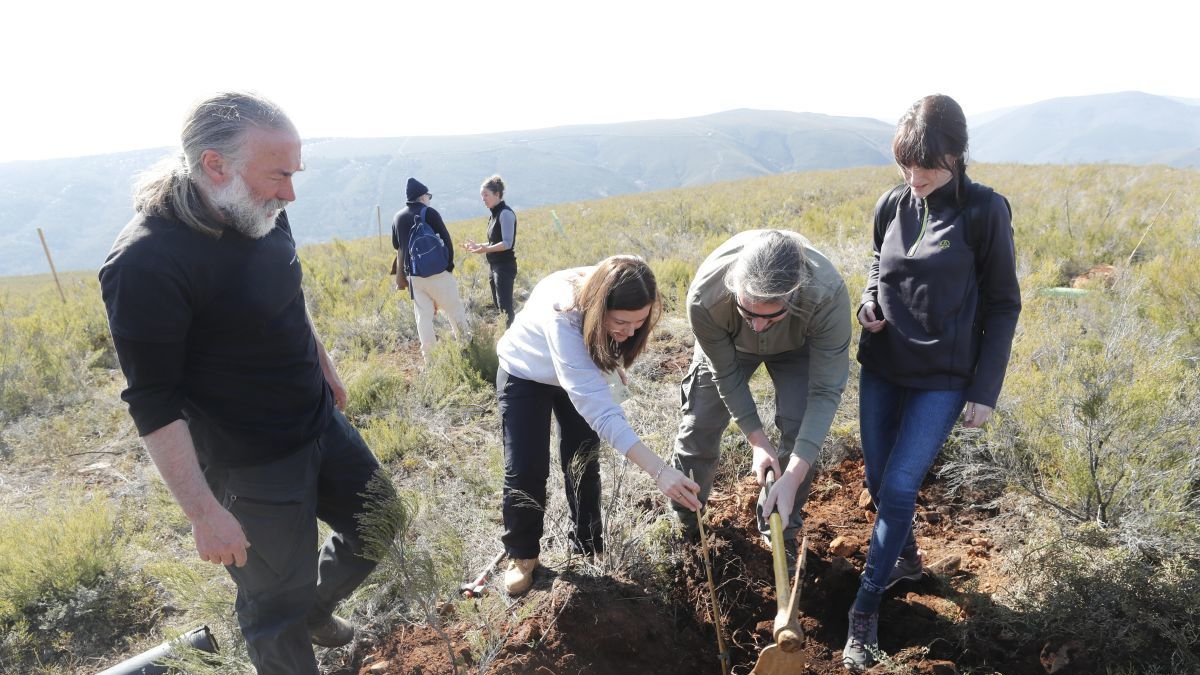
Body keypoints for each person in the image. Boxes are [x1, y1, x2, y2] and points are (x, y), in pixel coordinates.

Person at [99, 92, 388, 675]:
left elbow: (288, 292)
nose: (290, 192)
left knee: (380, 520)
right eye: (278, 174)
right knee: (273, 610)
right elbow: (153, 403)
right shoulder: (146, 262)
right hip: (250, 465)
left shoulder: (260, 210)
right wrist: (204, 514)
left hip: (318, 423)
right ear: (214, 165)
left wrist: (324, 362)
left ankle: (317, 605)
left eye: (293, 173)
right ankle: (297, 618)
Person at [845, 94, 1021, 672]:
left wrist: (984, 389)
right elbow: (877, 261)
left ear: (957, 154)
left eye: (928, 166)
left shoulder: (984, 210)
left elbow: (1003, 303)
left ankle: (864, 611)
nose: (915, 177)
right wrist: (869, 302)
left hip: (944, 376)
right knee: (875, 475)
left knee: (897, 486)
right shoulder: (893, 202)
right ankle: (907, 557)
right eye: (906, 165)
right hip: (883, 364)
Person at [495, 255, 701, 595]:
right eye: (621, 322)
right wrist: (660, 472)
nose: (630, 331)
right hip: (525, 374)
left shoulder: (625, 280)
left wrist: (611, 359)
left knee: (583, 460)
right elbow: (601, 413)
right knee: (525, 467)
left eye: (639, 323)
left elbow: (600, 353)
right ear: (598, 306)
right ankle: (523, 556)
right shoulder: (564, 313)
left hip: (577, 369)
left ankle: (588, 545)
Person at [672, 229, 851, 568]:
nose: (757, 326)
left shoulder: (826, 295)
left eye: (770, 315)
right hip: (729, 345)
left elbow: (825, 391)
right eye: (748, 312)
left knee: (800, 430)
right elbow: (725, 374)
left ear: (794, 295)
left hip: (798, 346)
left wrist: (794, 474)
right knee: (700, 426)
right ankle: (688, 527)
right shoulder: (705, 298)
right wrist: (756, 440)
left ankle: (780, 526)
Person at [392, 177, 469, 360]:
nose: (429, 199)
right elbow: (446, 239)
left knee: (423, 318)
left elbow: (397, 245)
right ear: (422, 196)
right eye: (429, 196)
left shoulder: (398, 217)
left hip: (414, 276)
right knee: (454, 310)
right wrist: (448, 267)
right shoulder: (429, 213)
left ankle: (431, 361)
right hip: (438, 274)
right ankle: (467, 350)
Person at [464, 174, 517, 327]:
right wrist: (478, 246)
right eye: (482, 195)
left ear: (497, 195)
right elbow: (495, 242)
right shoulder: (494, 215)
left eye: (486, 195)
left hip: (504, 267)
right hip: (494, 266)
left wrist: (486, 248)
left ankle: (513, 340)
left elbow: (507, 243)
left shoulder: (505, 214)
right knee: (499, 306)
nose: (483, 199)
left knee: (505, 309)